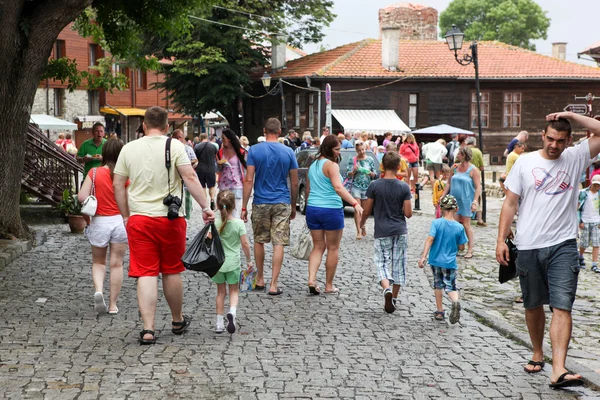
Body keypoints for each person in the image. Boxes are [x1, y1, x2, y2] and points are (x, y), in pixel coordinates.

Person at [496, 112, 600, 388]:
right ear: (542, 136)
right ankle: (537, 352)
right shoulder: (525, 162)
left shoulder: (576, 157)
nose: (554, 145)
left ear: (569, 141)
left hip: (564, 245)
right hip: (528, 244)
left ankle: (558, 369)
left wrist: (571, 115)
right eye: (550, 139)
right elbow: (510, 202)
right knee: (532, 304)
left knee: (562, 305)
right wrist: (499, 239)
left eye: (561, 141)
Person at [113, 106, 215, 345]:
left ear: (144, 125)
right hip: (171, 219)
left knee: (145, 272)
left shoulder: (128, 148)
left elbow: (118, 184)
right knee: (171, 270)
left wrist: (126, 216)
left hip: (139, 219)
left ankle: (148, 329)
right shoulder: (176, 146)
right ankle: (177, 320)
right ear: (167, 126)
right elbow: (190, 177)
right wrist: (205, 207)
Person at [242, 118, 298, 296]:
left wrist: (244, 206)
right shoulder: (289, 151)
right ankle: (274, 284)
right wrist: (294, 205)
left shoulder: (254, 150)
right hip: (282, 201)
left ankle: (260, 279)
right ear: (280, 132)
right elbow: (295, 183)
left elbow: (249, 179)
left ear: (264, 130)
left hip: (261, 201)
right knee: (278, 242)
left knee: (259, 240)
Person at [306, 135, 364, 295]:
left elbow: (308, 189)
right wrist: (355, 203)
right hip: (330, 209)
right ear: (329, 149)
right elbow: (338, 188)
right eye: (337, 149)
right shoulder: (331, 165)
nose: (339, 153)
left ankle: (312, 278)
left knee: (318, 246)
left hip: (312, 208)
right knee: (333, 248)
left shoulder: (313, 165)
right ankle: (329, 285)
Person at [77, 139, 128, 315]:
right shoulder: (126, 175)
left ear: (104, 153)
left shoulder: (94, 172)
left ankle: (99, 290)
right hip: (120, 221)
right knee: (117, 264)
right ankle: (113, 305)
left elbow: (82, 197)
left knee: (98, 262)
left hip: (99, 221)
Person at [360, 151, 412, 313]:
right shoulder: (403, 186)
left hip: (382, 231)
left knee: (381, 263)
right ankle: (394, 298)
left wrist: (361, 224)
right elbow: (409, 213)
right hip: (400, 230)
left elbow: (367, 210)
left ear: (382, 166)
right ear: (398, 167)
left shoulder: (374, 185)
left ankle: (386, 289)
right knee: (398, 264)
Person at [418, 194, 468, 324]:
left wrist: (423, 256)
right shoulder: (459, 227)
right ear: (456, 209)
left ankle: (440, 311)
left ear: (441, 208)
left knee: (438, 284)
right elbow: (462, 247)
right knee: (451, 286)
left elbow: (430, 238)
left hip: (435, 260)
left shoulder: (436, 223)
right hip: (450, 262)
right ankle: (455, 301)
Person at [212, 190, 252, 334]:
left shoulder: (215, 223)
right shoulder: (239, 224)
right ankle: (232, 313)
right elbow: (245, 244)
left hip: (218, 264)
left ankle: (218, 324)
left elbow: (208, 240)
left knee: (220, 292)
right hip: (233, 263)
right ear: (234, 205)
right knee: (233, 290)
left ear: (217, 204)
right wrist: (248, 260)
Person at [442, 146, 481, 259]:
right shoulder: (454, 168)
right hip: (454, 200)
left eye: (459, 154)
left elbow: (478, 187)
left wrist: (475, 201)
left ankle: (470, 249)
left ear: (464, 155)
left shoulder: (473, 170)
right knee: (455, 224)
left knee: (466, 224)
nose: (457, 156)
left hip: (466, 200)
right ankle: (458, 246)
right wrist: (443, 196)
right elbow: (448, 183)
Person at [346, 141, 376, 240]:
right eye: (359, 150)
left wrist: (372, 174)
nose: (362, 152)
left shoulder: (370, 159)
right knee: (357, 209)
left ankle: (362, 225)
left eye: (363, 149)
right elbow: (348, 174)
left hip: (367, 187)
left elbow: (375, 173)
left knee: (364, 210)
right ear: (356, 150)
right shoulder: (353, 160)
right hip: (356, 186)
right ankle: (358, 230)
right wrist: (353, 171)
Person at [217, 129, 247, 217]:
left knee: (234, 210)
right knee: (223, 210)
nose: (222, 140)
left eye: (223, 138)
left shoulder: (241, 152)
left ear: (229, 139)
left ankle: (234, 229)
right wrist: (219, 165)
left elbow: (246, 168)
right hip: (223, 184)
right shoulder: (220, 152)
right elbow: (218, 169)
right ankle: (223, 229)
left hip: (236, 184)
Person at [172, 129, 198, 220]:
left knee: (186, 204)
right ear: (172, 137)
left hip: (186, 183)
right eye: (176, 137)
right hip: (173, 182)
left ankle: (186, 219)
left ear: (183, 138)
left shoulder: (188, 149)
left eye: (180, 137)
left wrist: (191, 165)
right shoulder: (169, 149)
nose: (178, 139)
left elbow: (195, 161)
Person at [578, 175, 600, 272]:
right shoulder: (583, 193)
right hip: (585, 220)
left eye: (598, 185)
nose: (596, 187)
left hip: (596, 221)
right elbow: (578, 208)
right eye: (595, 184)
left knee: (596, 244)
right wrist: (580, 221)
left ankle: (594, 264)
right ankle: (580, 257)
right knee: (584, 243)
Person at [194, 133, 218, 210]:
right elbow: (215, 156)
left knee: (202, 186)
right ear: (207, 138)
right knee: (212, 186)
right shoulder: (213, 146)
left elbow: (195, 158)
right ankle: (212, 199)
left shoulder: (197, 146)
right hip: (211, 168)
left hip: (200, 169)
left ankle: (205, 203)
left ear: (200, 138)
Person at [466, 136, 486, 226]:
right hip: (475, 177)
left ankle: (465, 216)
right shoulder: (478, 152)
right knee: (477, 197)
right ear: (474, 143)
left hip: (464, 176)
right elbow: (482, 167)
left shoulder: (462, 150)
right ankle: (479, 219)